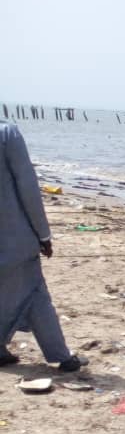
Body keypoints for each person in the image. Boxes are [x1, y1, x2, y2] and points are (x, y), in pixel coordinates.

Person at [1, 122, 85, 371]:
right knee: (35, 294)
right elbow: (28, 188)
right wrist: (43, 234)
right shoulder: (8, 135)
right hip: (14, 238)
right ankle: (61, 356)